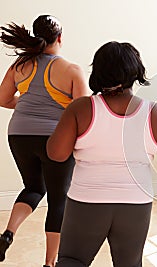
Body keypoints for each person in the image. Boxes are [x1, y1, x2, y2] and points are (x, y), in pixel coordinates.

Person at [46, 41, 157, 267]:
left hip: (87, 201)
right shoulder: (156, 113)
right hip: (136, 203)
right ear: (136, 72)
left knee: (72, 261)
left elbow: (56, 154)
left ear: (98, 72)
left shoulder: (80, 108)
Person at [0, 15, 88, 266]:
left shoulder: (20, 65)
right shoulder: (71, 69)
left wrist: (29, 106)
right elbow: (81, 112)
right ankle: (50, 263)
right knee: (58, 199)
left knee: (34, 188)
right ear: (60, 38)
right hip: (54, 138)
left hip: (19, 135)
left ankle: (7, 235)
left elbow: (4, 99)